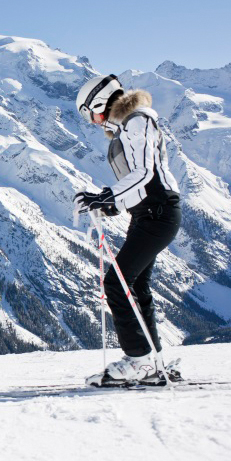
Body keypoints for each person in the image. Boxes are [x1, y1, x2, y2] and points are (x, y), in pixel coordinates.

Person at [74, 75, 181, 385]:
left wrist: (107, 196)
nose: (93, 122)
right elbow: (136, 182)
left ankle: (138, 360)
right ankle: (152, 361)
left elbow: (145, 173)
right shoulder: (126, 128)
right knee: (135, 286)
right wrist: (111, 205)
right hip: (147, 214)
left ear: (99, 103)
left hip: (158, 212)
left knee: (116, 284)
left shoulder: (138, 120)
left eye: (91, 114)